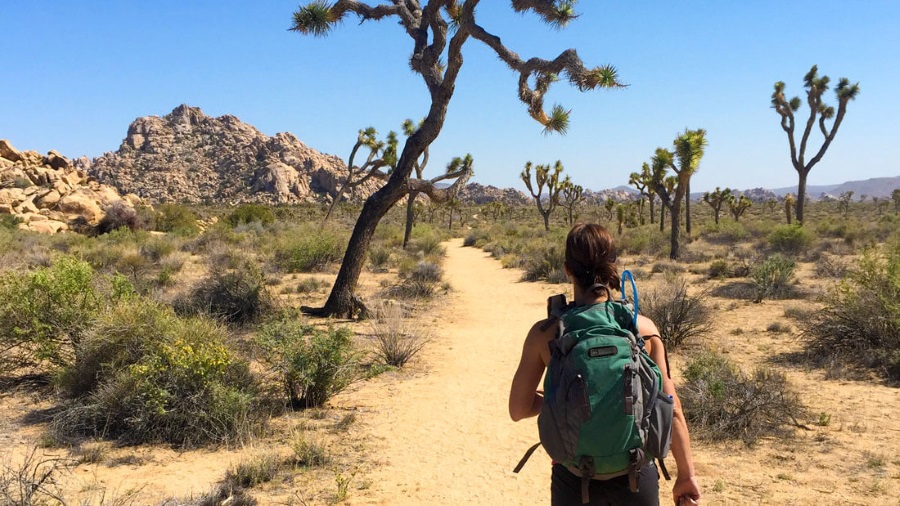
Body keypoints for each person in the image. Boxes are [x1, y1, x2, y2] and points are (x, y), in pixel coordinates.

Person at [509, 223, 701, 506]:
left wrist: (568, 402)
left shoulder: (545, 334)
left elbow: (518, 408)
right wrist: (686, 475)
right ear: (613, 265)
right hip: (636, 475)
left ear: (567, 269)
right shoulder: (643, 329)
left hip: (574, 479)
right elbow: (671, 408)